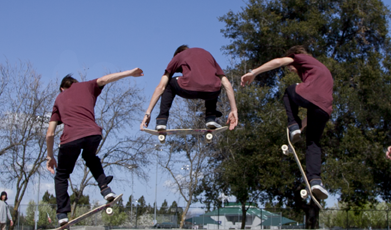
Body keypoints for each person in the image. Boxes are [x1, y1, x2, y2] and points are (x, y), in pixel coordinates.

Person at [47, 68, 143, 225]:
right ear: (75, 84)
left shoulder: (59, 98)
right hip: (93, 133)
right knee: (90, 157)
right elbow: (105, 79)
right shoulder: (87, 86)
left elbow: (50, 133)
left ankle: (62, 213)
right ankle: (105, 189)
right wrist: (130, 73)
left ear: (62, 88)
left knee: (62, 175)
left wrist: (50, 157)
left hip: (70, 139)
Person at [240, 45, 332, 199]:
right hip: (324, 108)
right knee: (313, 143)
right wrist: (299, 130)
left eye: (291, 68)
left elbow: (278, 62)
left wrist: (253, 72)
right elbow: (312, 114)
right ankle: (316, 181)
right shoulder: (319, 69)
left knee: (289, 92)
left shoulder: (300, 58)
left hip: (312, 95)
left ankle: (292, 124)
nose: (291, 70)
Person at [140, 45, 239, 132]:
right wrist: (234, 110)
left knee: (168, 83)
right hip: (211, 92)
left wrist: (148, 113)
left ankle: (162, 120)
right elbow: (227, 84)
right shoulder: (207, 54)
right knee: (214, 83)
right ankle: (211, 118)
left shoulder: (179, 56)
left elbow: (160, 87)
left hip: (187, 88)